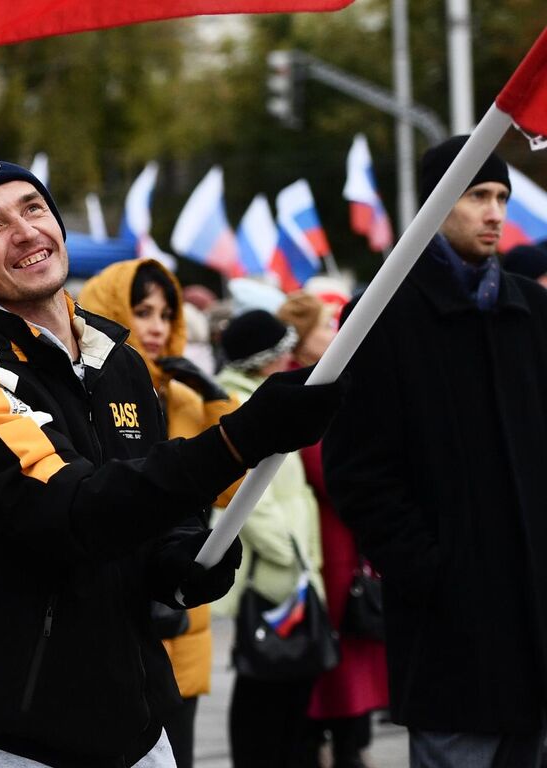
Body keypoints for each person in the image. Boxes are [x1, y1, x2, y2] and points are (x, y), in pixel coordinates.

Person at [0, 159, 339, 767]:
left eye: (33, 208)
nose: (26, 231)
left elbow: (153, 512)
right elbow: (72, 508)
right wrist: (237, 440)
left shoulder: (118, 359)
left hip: (138, 728)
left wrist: (182, 559)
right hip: (14, 743)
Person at [324, 137, 547, 768]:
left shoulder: (532, 311)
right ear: (438, 201)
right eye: (478, 195)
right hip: (453, 636)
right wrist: (434, 570)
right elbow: (356, 472)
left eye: (501, 196)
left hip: (535, 629)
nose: (495, 212)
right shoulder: (379, 316)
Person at [78, 257, 240, 768]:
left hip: (182, 617)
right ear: (110, 309)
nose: (155, 326)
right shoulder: (83, 395)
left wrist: (216, 401)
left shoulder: (185, 396)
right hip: (113, 623)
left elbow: (230, 493)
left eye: (166, 314)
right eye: (141, 310)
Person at [278, 292, 388, 768]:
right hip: (326, 545)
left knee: (349, 667)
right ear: (301, 338)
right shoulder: (299, 387)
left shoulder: (334, 380)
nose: (334, 334)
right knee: (333, 669)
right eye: (325, 325)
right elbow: (329, 467)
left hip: (343, 544)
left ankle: (348, 746)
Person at [212, 310, 324, 768]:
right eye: (281, 352)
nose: (290, 359)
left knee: (288, 694)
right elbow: (248, 497)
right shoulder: (240, 405)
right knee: (264, 689)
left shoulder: (263, 396)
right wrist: (292, 554)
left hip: (291, 570)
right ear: (265, 359)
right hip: (270, 575)